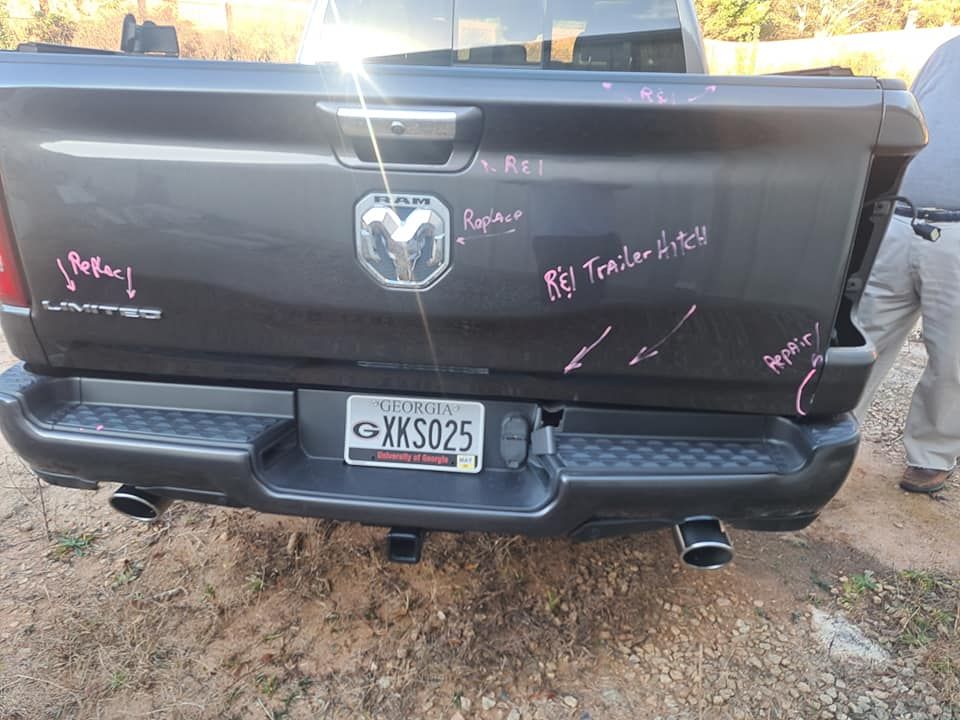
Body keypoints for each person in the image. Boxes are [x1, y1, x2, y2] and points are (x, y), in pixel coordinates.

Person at [854, 34, 960, 494]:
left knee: (953, 359)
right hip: (901, 217)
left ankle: (931, 456)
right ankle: (832, 437)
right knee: (861, 339)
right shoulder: (949, 50)